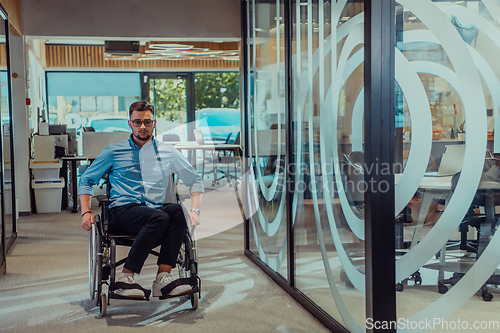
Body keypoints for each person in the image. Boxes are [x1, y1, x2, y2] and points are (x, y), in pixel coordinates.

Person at [79, 100, 203, 299]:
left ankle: (163, 278)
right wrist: (86, 212)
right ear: (130, 124)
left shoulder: (167, 151)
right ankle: (126, 277)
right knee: (159, 218)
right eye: (137, 122)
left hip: (153, 212)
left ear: (154, 123)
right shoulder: (114, 151)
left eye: (147, 122)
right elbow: (86, 179)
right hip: (122, 212)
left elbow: (195, 179)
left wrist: (195, 211)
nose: (142, 126)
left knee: (177, 211)